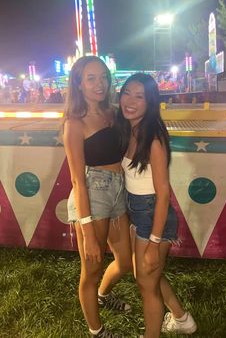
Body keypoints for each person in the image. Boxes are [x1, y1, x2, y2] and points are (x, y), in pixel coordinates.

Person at [118, 73, 197, 338]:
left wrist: (153, 241)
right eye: (127, 92)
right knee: (148, 275)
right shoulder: (132, 129)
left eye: (139, 96)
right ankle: (181, 318)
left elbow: (164, 195)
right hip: (138, 211)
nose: (129, 101)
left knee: (146, 284)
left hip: (153, 215)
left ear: (150, 102)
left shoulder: (153, 139)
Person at [63, 56, 132, 338]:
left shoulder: (114, 113)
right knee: (91, 269)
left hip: (119, 189)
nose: (99, 83)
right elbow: (78, 179)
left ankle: (103, 295)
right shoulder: (74, 124)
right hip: (93, 193)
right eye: (91, 78)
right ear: (79, 84)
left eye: (103, 76)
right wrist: (88, 231)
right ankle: (97, 331)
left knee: (126, 262)